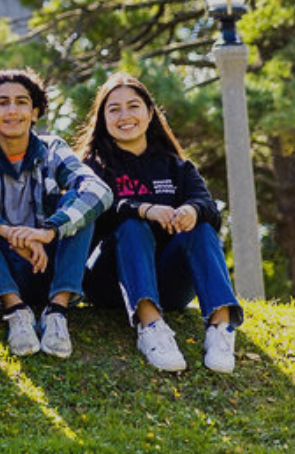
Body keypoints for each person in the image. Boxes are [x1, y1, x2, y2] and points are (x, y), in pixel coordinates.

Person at [75, 73, 242, 373]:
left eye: (133, 106)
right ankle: (150, 327)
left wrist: (192, 209)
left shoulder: (177, 166)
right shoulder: (91, 167)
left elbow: (209, 208)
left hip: (170, 285)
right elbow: (95, 213)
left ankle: (221, 328)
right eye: (114, 109)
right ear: (103, 118)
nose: (125, 116)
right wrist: (143, 209)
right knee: (131, 226)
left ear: (150, 113)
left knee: (201, 226)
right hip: (109, 283)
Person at [0, 68, 111, 358]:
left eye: (21, 102)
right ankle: (15, 310)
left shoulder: (52, 147)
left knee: (80, 201)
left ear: (34, 111)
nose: (12, 110)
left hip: (43, 268)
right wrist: (8, 234)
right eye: (2, 102)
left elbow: (99, 190)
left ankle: (57, 311)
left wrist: (48, 231)